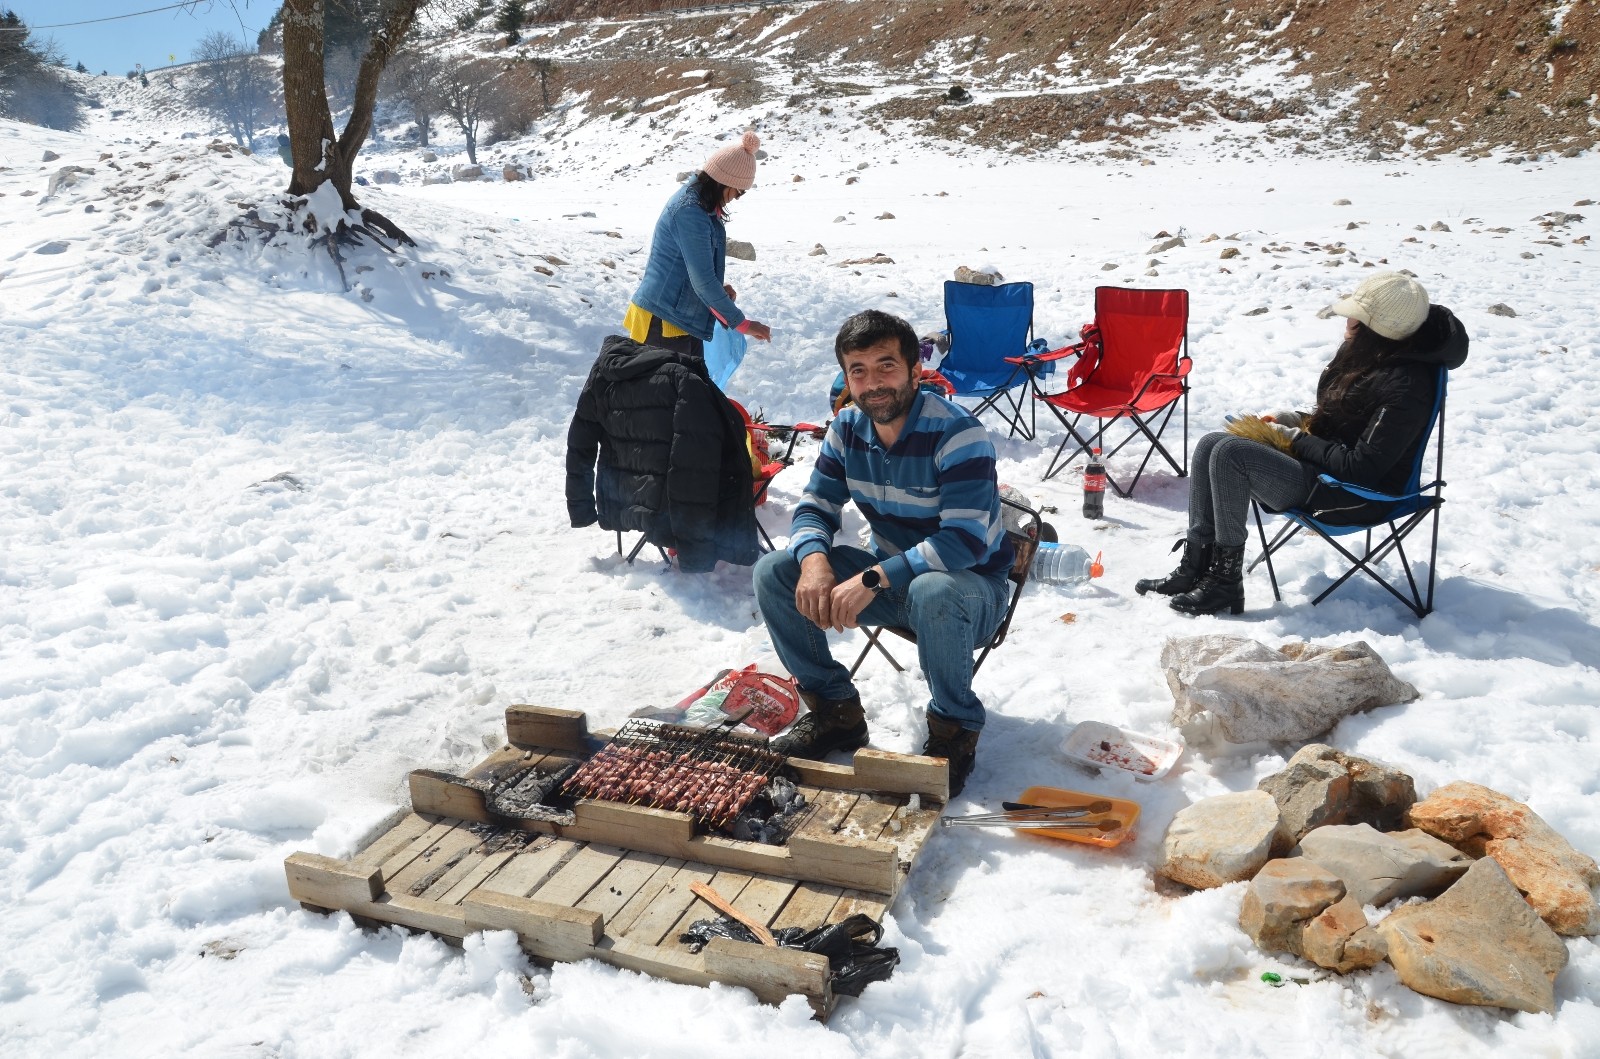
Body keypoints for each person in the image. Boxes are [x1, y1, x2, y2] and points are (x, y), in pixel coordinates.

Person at [752, 310, 1014, 796]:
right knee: (774, 572)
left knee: (935, 588)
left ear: (916, 371)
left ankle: (954, 730)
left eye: (885, 366)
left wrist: (871, 578)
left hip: (970, 593)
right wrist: (813, 560)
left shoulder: (957, 434)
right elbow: (815, 505)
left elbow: (964, 541)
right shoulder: (847, 429)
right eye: (858, 370)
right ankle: (836, 713)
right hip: (896, 583)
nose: (872, 383)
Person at [1136, 271, 1469, 616]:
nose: (1348, 318)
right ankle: (1197, 565)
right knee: (1211, 444)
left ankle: (1225, 582)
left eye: (1357, 314)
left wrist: (1294, 440)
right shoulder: (1369, 354)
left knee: (1231, 454)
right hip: (1326, 473)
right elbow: (1346, 418)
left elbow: (1363, 468)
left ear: (1376, 328)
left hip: (1355, 496)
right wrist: (1294, 420)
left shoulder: (1407, 385)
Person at [625, 130, 772, 358]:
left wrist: (718, 293)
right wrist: (742, 324)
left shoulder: (702, 205)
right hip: (661, 321)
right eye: (739, 192)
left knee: (690, 391)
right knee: (665, 392)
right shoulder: (689, 211)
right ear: (725, 183)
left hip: (678, 318)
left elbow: (693, 269)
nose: (735, 197)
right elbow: (702, 281)